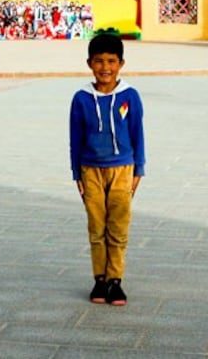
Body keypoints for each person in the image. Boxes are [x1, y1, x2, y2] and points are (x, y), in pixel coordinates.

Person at [69, 33, 145, 306]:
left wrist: (140, 169)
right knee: (96, 227)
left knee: (118, 225)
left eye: (111, 61)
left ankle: (116, 280)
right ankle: (99, 279)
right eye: (99, 61)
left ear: (121, 63)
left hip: (123, 169)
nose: (105, 68)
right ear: (89, 63)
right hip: (90, 171)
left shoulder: (130, 96)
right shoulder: (81, 99)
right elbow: (75, 138)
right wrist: (76, 173)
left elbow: (138, 133)